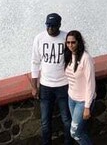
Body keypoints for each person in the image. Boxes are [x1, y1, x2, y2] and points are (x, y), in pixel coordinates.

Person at [31, 12, 72, 145]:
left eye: (53, 26)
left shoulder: (67, 38)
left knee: (66, 119)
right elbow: (35, 62)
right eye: (48, 25)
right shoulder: (39, 38)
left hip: (64, 86)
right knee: (45, 121)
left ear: (59, 25)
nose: (50, 28)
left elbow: (75, 59)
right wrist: (34, 86)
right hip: (45, 86)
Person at [64, 30, 95, 145]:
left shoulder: (86, 58)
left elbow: (90, 84)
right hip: (71, 98)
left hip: (83, 102)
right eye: (68, 43)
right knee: (81, 131)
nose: (70, 45)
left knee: (75, 133)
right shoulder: (68, 56)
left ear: (79, 42)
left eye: (73, 42)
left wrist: (87, 107)